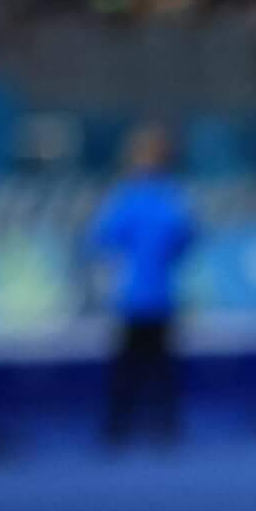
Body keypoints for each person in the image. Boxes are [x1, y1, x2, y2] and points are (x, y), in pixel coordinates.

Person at [89, 123, 198, 448]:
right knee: (153, 368)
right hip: (151, 296)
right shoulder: (170, 199)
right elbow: (186, 239)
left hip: (139, 296)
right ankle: (157, 428)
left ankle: (124, 429)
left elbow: (101, 240)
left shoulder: (129, 199)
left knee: (136, 368)